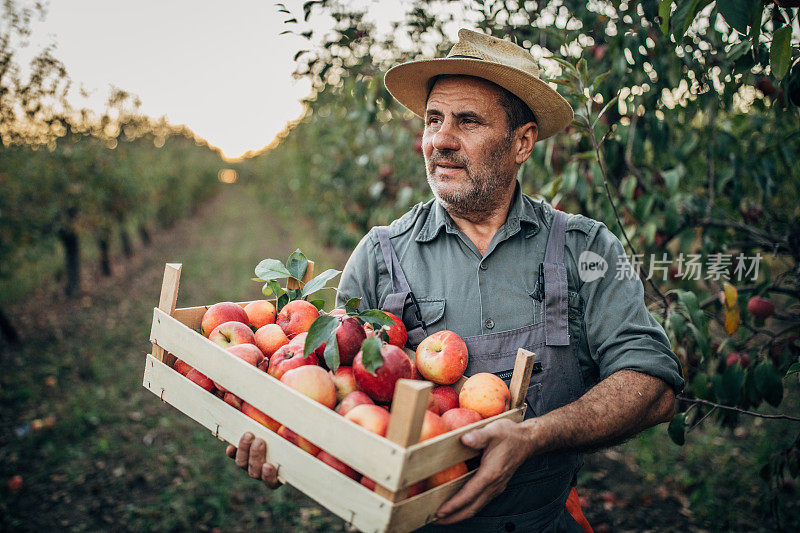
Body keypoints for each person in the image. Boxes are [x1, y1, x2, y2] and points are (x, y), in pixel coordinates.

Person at [227, 29, 684, 531]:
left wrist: (534, 436)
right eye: (433, 120)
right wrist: (286, 442)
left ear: (523, 141)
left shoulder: (585, 248)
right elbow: (336, 398)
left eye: (468, 121)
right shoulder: (380, 256)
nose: (440, 140)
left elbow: (654, 384)